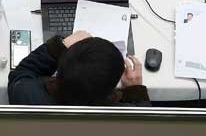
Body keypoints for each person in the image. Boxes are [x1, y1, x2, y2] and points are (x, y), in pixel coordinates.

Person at [8, 31, 149, 106]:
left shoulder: (26, 95)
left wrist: (60, 46)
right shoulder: (123, 121)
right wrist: (135, 91)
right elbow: (145, 132)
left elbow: (22, 73)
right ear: (111, 90)